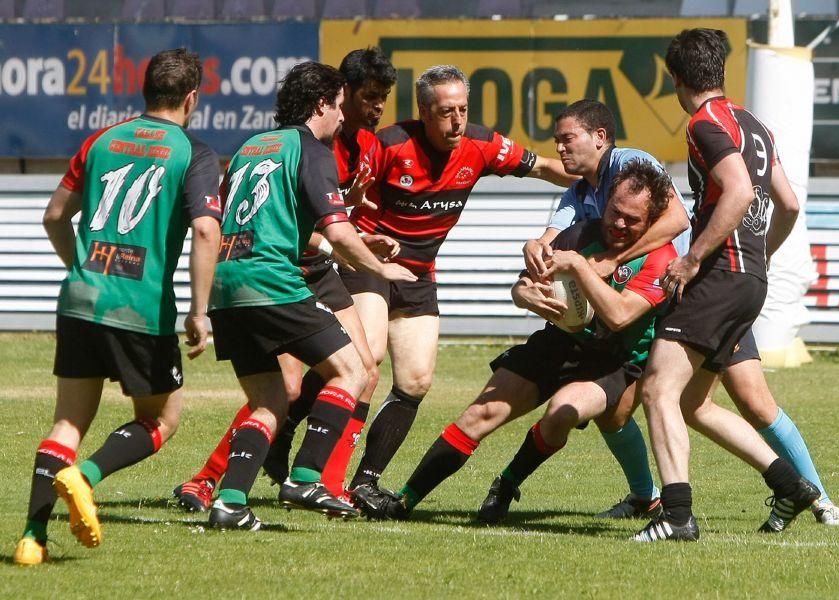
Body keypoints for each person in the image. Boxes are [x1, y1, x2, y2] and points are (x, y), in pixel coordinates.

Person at [521, 103, 839, 526]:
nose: (559, 146)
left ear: (599, 136)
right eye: (558, 139)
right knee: (647, 408)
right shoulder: (579, 192)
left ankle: (811, 497)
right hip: (697, 292)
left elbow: (677, 219)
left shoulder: (631, 162)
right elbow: (551, 237)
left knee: (733, 400)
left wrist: (609, 260)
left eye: (568, 137)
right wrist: (536, 249)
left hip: (686, 291)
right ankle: (651, 497)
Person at [371, 159, 676, 521]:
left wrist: (579, 266)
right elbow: (524, 284)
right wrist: (524, 294)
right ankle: (404, 501)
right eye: (615, 212)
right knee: (480, 414)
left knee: (562, 411)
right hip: (559, 344)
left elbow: (620, 315)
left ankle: (507, 482)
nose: (619, 223)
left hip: (613, 361)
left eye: (632, 220)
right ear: (607, 201)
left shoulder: (661, 258)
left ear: (653, 221)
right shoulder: (580, 233)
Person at [13, 48, 222, 566]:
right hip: (141, 305)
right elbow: (204, 228)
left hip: (82, 297)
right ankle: (85, 476)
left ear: (144, 91)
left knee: (67, 423)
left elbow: (55, 217)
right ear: (192, 98)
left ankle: (32, 539)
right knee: (162, 419)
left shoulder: (101, 140)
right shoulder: (192, 153)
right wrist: (200, 311)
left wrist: (81, 266)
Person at [338, 64, 577, 516]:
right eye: (446, 111)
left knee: (415, 380)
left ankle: (363, 483)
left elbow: (545, 166)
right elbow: (340, 201)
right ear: (424, 112)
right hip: (367, 267)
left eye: (463, 110)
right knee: (365, 365)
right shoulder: (388, 144)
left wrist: (601, 178)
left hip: (419, 276)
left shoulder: (481, 145)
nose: (457, 121)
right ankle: (324, 476)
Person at [172, 47, 398, 512]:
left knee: (277, 396)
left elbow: (263, 220)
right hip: (277, 277)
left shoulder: (251, 147)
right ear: (322, 105)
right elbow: (331, 227)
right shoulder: (313, 150)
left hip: (228, 282)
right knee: (353, 370)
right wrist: (379, 268)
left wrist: (339, 244)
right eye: (338, 104)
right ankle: (306, 478)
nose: (342, 114)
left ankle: (229, 499)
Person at [633, 28, 820, 542]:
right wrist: (758, 258)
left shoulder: (703, 123)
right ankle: (791, 485)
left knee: (656, 389)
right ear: (718, 71)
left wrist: (694, 260)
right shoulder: (753, 123)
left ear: (676, 78)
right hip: (748, 278)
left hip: (718, 275)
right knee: (692, 402)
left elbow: (737, 191)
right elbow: (788, 204)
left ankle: (675, 516)